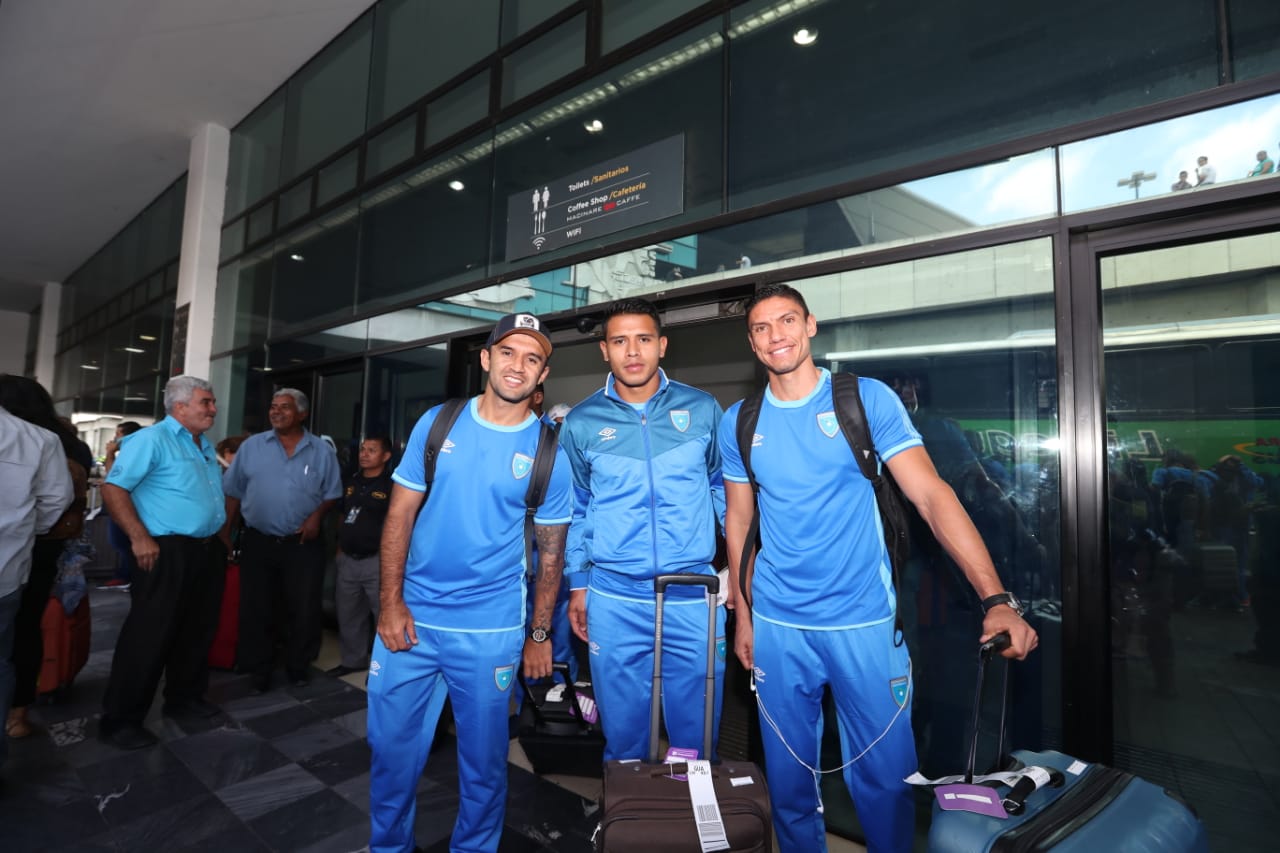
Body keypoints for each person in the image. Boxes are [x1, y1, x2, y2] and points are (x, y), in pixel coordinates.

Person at [717, 284, 1038, 853]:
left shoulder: (864, 401)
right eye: (762, 329)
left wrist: (995, 598)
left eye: (787, 321)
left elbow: (933, 498)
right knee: (789, 784)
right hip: (778, 627)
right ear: (751, 342)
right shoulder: (739, 420)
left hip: (863, 626)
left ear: (811, 325)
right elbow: (740, 525)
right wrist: (745, 618)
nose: (776, 336)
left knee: (886, 785)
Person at [368, 312, 572, 853]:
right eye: (507, 352)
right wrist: (389, 604)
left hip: (489, 631)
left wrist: (539, 633)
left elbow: (551, 557)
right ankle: (389, 847)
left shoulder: (550, 451)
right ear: (486, 359)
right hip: (411, 623)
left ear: (542, 372)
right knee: (391, 753)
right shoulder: (438, 423)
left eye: (532, 358)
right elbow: (399, 518)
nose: (517, 365)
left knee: (483, 766)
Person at [560, 297, 727, 761]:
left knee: (695, 738)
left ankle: (689, 819)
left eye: (644, 339)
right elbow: (576, 509)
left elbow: (723, 491)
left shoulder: (702, 409)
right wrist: (579, 584)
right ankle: (630, 822)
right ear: (605, 351)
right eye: (620, 341)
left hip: (694, 594)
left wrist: (733, 565)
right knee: (624, 735)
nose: (632, 351)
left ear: (662, 345)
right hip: (614, 597)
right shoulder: (581, 422)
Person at [98, 376, 228, 750]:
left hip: (205, 551)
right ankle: (120, 720)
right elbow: (113, 487)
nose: (213, 409)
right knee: (149, 635)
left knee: (196, 631)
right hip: (165, 550)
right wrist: (139, 537)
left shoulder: (202, 444)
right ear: (180, 406)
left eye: (213, 401)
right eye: (206, 402)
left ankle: (184, 700)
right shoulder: (150, 439)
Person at [223, 389, 342, 691]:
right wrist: (225, 534)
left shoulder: (321, 451)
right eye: (273, 407)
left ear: (302, 414)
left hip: (302, 546)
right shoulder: (252, 447)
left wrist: (317, 515)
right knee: (257, 607)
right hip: (258, 542)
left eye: (285, 408)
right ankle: (259, 669)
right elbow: (233, 492)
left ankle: (298, 666)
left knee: (303, 608)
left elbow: (332, 494)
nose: (276, 412)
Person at [0, 376, 90, 742]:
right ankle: (18, 714)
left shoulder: (44, 440)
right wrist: (24, 528)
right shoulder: (61, 440)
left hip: (29, 547)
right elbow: (57, 500)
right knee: (24, 630)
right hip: (36, 549)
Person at [327, 435, 394, 677]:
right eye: (363, 449)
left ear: (385, 456)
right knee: (348, 614)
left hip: (378, 561)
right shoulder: (351, 482)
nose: (364, 454)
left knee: (383, 615)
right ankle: (353, 660)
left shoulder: (392, 486)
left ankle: (383, 667)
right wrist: (339, 550)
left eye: (372, 450)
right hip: (348, 559)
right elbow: (342, 516)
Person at [101, 421, 143, 590]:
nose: (114, 439)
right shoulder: (132, 452)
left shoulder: (132, 453)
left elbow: (113, 477)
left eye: (117, 434)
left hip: (128, 505)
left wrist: (110, 453)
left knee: (122, 541)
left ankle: (128, 576)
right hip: (128, 504)